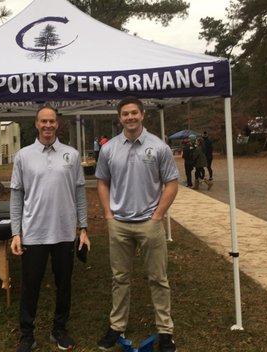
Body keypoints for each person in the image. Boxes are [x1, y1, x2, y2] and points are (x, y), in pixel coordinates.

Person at [95, 96, 179, 352]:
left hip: (149, 223)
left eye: (134, 113)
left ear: (143, 115)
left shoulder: (159, 147)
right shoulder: (109, 149)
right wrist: (108, 216)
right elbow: (102, 182)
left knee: (158, 278)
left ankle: (165, 331)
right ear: (119, 117)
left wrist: (158, 216)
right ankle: (116, 326)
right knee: (120, 278)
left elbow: (172, 184)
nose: (130, 117)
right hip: (119, 223)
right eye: (125, 114)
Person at [10, 105, 91, 352]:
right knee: (30, 286)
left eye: (51, 121)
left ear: (58, 124)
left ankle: (59, 329)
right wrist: (16, 232)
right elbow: (16, 195)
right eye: (43, 121)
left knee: (64, 284)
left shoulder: (72, 155)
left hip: (65, 233)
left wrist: (83, 227)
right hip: (33, 233)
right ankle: (27, 334)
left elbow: (79, 193)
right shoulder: (23, 155)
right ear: (36, 124)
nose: (47, 125)